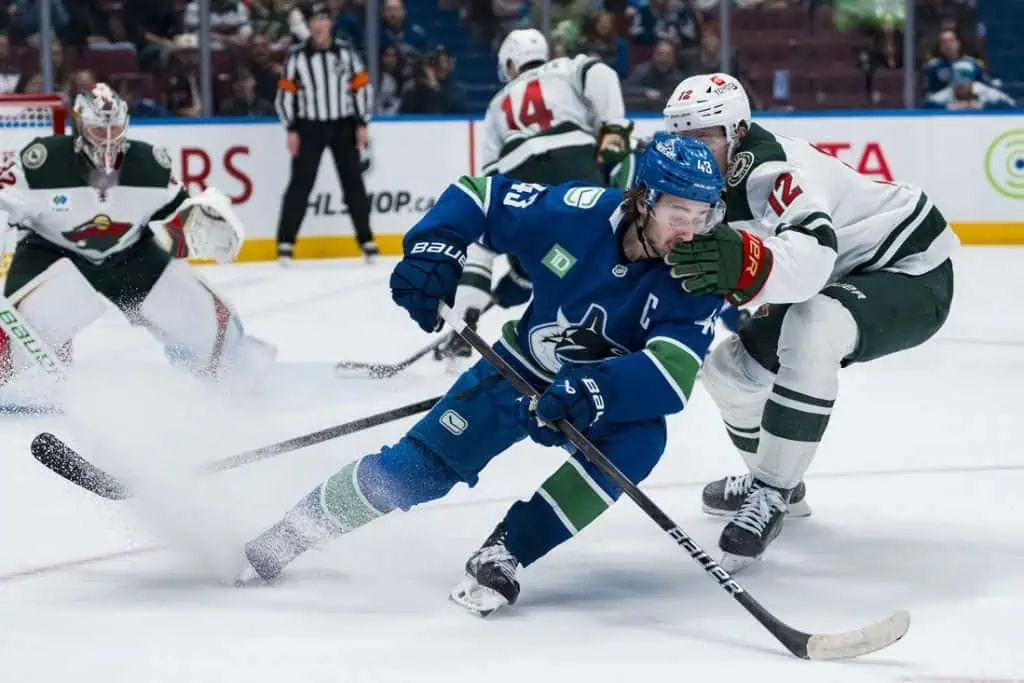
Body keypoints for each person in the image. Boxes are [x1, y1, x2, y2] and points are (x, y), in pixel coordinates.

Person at [239, 133, 726, 618]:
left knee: (641, 440)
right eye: (677, 215)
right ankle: (293, 531)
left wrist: (596, 389)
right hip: (519, 370)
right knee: (416, 471)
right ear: (643, 200)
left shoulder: (700, 271)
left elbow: (672, 373)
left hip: (598, 394)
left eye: (701, 216)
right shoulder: (577, 213)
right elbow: (479, 196)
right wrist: (434, 248)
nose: (689, 231)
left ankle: (507, 550)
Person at [660, 72, 958, 571]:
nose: (691, 149)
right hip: (840, 271)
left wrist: (744, 267)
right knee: (728, 371)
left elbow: (813, 262)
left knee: (814, 325)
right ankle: (778, 482)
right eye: (680, 137)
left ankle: (771, 494)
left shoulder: (773, 173)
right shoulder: (702, 180)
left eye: (704, 137)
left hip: (911, 268)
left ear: (737, 132)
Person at [0, 83, 275, 388]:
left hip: (130, 258)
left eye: (114, 129)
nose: (107, 140)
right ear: (79, 130)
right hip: (51, 253)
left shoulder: (150, 166)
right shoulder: (40, 163)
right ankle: (28, 370)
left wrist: (205, 214)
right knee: (12, 349)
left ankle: (228, 372)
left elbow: (181, 212)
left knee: (208, 329)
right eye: (97, 130)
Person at [436, 27, 633, 361]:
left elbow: (488, 178)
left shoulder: (497, 103)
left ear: (512, 65)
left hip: (519, 174)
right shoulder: (567, 68)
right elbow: (601, 73)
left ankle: (463, 325)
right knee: (599, 249)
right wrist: (613, 125)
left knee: (489, 236)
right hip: (577, 168)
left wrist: (510, 254)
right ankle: (621, 328)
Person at [275, 1, 376, 264]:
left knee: (353, 182)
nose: (320, 25)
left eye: (324, 19)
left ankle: (366, 239)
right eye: (315, 20)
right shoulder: (297, 56)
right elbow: (285, 94)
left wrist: (362, 121)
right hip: (309, 126)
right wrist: (291, 127)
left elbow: (361, 85)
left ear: (331, 23)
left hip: (343, 124)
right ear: (309, 25)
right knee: (300, 184)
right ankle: (286, 242)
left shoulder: (345, 52)